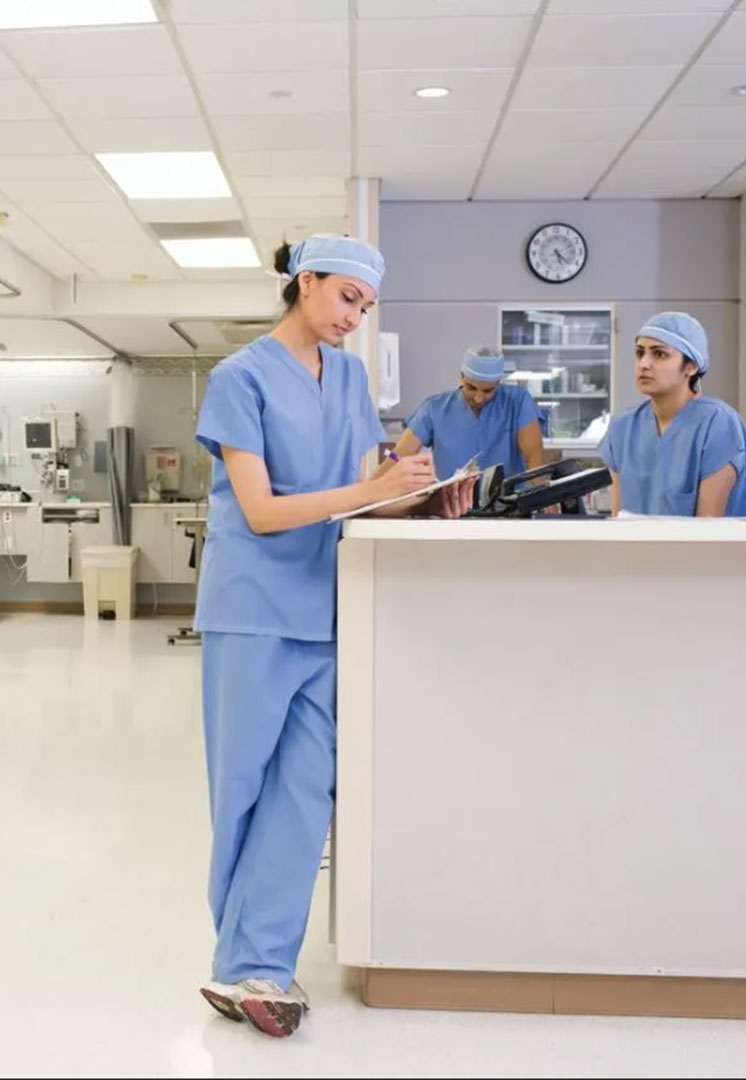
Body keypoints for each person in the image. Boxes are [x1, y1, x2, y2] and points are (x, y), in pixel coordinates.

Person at [193, 234, 474, 1039]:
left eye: (366, 306)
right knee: (243, 789)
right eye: (347, 298)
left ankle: (261, 965)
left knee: (309, 787)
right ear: (304, 283)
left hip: (324, 607)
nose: (356, 318)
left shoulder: (348, 377)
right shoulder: (239, 378)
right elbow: (261, 510)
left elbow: (360, 497)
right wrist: (373, 486)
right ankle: (243, 958)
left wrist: (419, 502)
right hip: (250, 609)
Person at [600, 312, 746, 517]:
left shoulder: (717, 424)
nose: (644, 364)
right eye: (639, 353)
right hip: (634, 549)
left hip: (701, 548)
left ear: (691, 366)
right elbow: (619, 521)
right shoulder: (623, 428)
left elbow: (709, 528)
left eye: (659, 354)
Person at [382, 347, 545, 482]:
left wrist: (544, 496)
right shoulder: (434, 408)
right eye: (471, 388)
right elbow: (397, 456)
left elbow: (533, 459)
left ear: (498, 383)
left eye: (488, 391)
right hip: (450, 507)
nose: (479, 398)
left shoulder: (518, 402)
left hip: (507, 506)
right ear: (461, 377)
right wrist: (368, 492)